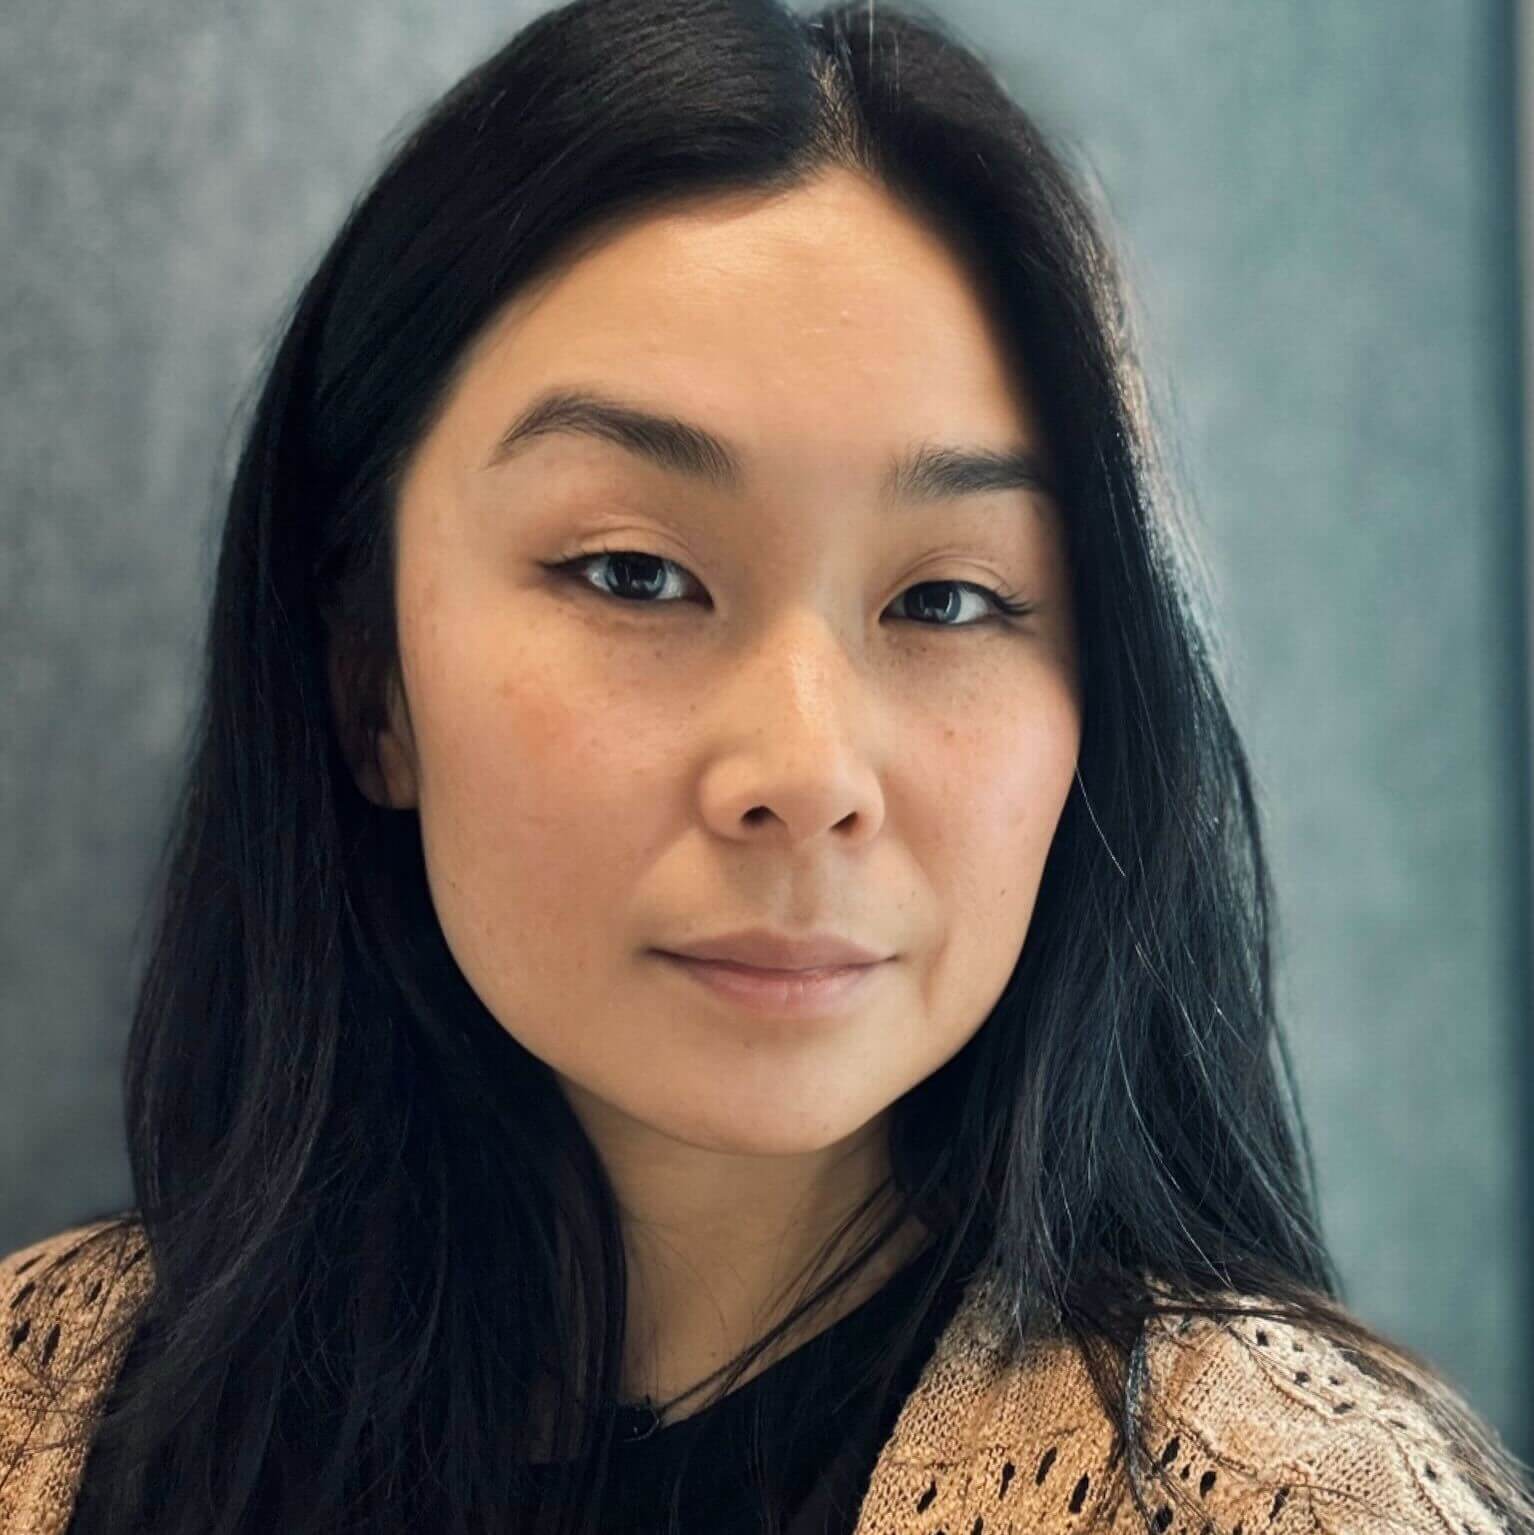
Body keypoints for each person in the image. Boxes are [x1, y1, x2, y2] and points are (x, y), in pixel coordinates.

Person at [2, 1, 1530, 1531]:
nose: (804, 771)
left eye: (945, 599)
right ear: (368, 684)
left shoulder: (1285, 1500)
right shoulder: (41, 1422)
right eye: (633, 574)